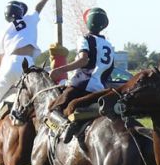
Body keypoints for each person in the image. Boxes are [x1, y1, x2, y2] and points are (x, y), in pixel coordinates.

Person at [0, 0, 56, 159]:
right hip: (30, 66)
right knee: (36, 102)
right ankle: (53, 131)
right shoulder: (31, 20)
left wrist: (5, 77)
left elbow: (0, 58)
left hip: (11, 64)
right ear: (20, 12)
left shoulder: (4, 30)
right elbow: (38, 6)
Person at [47, 7, 113, 141]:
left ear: (87, 22)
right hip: (100, 90)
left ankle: (61, 129)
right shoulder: (109, 45)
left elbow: (84, 60)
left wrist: (60, 70)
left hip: (81, 86)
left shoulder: (84, 38)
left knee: (51, 109)